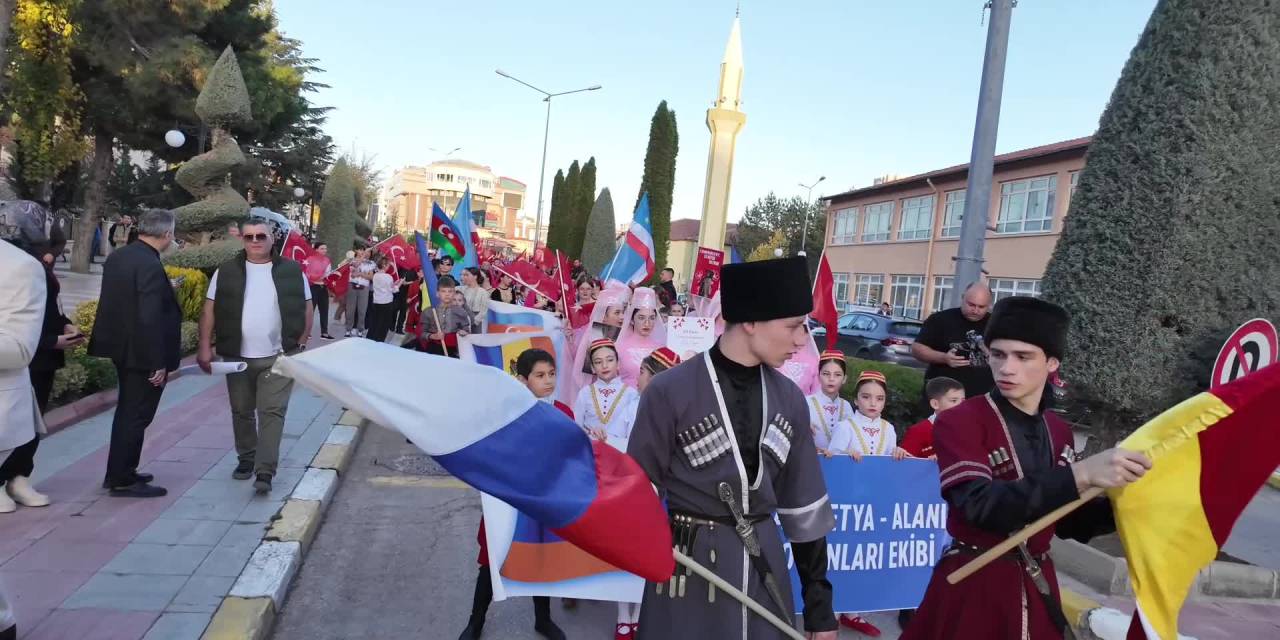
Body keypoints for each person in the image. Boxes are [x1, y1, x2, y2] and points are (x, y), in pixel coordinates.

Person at [902, 297, 1151, 640]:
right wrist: (1081, 475)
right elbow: (977, 505)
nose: (1006, 368)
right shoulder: (960, 421)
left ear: (1051, 363)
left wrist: (1123, 497)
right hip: (975, 585)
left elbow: (1065, 519)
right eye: (998, 354)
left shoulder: (1059, 430)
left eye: (1023, 357)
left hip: (1037, 584)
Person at [627, 256, 838, 640]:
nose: (801, 340)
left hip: (765, 568)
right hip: (688, 567)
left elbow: (803, 507)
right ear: (751, 321)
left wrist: (820, 610)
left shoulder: (789, 398)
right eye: (793, 326)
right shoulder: (668, 391)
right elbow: (638, 492)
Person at [198, 219, 313, 495]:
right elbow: (209, 310)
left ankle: (265, 471)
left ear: (272, 238)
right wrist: (204, 345)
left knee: (272, 412)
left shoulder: (292, 271)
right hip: (236, 356)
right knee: (241, 411)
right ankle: (247, 458)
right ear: (243, 240)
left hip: (279, 356)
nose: (255, 241)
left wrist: (301, 340)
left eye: (261, 236)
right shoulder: (225, 272)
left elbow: (307, 307)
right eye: (249, 237)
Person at [460, 348, 568, 640]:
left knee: (540, 558)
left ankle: (543, 620)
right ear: (523, 379)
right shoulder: (505, 413)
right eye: (540, 375)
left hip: (543, 500)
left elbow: (570, 456)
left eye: (552, 374)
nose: (548, 381)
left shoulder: (563, 412)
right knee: (492, 558)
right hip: (507, 499)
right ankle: (476, 621)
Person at [89, 208, 182, 498]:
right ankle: (122, 478)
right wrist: (157, 362)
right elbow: (149, 316)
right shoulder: (149, 264)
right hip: (142, 354)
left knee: (128, 412)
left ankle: (122, 470)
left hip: (122, 348)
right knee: (136, 415)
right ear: (166, 234)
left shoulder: (121, 256)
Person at [911, 282, 994, 398]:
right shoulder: (940, 320)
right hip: (942, 397)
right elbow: (916, 349)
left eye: (981, 307)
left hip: (982, 397)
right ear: (962, 298)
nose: (975, 310)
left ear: (989, 305)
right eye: (971, 304)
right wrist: (944, 358)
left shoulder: (996, 324)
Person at [573, 339, 639, 454]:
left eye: (610, 360)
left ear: (618, 363)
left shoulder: (631, 394)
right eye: (598, 362)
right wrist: (590, 433)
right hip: (591, 453)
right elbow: (576, 428)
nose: (604, 365)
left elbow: (633, 434)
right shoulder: (585, 393)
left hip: (620, 454)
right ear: (592, 368)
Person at [900, 376, 966, 460]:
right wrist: (930, 463)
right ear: (935, 404)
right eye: (953, 401)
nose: (961, 405)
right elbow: (906, 464)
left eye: (963, 401)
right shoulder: (918, 431)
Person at [805, 351, 855, 457]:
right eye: (826, 374)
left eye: (837, 375)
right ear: (818, 376)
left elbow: (852, 438)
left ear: (844, 379)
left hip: (840, 463)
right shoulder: (806, 402)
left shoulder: (846, 406)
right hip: (812, 460)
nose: (831, 379)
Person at [616, 287, 666, 388]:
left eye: (651, 318)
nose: (647, 323)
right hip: (625, 400)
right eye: (641, 317)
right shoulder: (619, 346)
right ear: (632, 320)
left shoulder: (661, 348)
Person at [303, 242, 334, 340]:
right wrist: (315, 278)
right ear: (316, 249)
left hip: (323, 288)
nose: (324, 250)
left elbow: (328, 274)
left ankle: (324, 332)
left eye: (325, 248)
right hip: (313, 287)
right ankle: (307, 332)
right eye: (322, 248)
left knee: (324, 310)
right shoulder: (309, 259)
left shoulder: (327, 260)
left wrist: (326, 279)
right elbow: (306, 273)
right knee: (310, 311)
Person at [366, 254, 400, 343]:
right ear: (384, 265)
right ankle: (379, 341)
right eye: (388, 265)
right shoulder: (388, 277)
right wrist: (399, 284)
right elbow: (393, 290)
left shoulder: (375, 275)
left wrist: (394, 284)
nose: (389, 266)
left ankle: (370, 339)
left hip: (376, 302)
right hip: (386, 303)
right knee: (383, 324)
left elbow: (386, 287)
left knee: (375, 322)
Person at [345, 248, 375, 338]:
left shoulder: (371, 263)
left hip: (364, 287)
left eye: (368, 251)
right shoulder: (351, 260)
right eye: (362, 250)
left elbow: (371, 277)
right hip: (352, 285)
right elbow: (355, 266)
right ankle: (348, 329)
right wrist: (362, 257)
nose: (365, 253)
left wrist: (360, 274)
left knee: (362, 310)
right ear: (357, 251)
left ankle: (360, 329)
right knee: (350, 309)